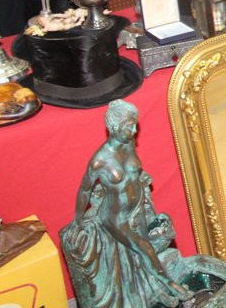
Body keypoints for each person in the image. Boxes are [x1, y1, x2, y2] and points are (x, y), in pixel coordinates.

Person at [61, 99, 193, 308]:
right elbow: (85, 189)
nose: (133, 130)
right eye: (128, 126)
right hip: (116, 218)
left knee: (139, 258)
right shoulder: (100, 160)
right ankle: (172, 286)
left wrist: (142, 180)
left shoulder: (128, 144)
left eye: (134, 125)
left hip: (137, 209)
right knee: (145, 250)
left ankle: (145, 296)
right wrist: (78, 220)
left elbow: (134, 173)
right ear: (114, 128)